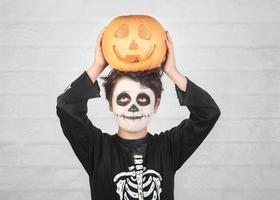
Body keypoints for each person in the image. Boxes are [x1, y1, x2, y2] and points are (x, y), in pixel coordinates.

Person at [56, 27, 221, 200]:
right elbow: (66, 106)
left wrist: (172, 71)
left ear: (156, 105)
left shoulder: (169, 148)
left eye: (142, 99)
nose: (132, 108)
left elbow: (208, 113)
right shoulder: (96, 149)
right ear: (111, 104)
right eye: (123, 99)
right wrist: (97, 66)